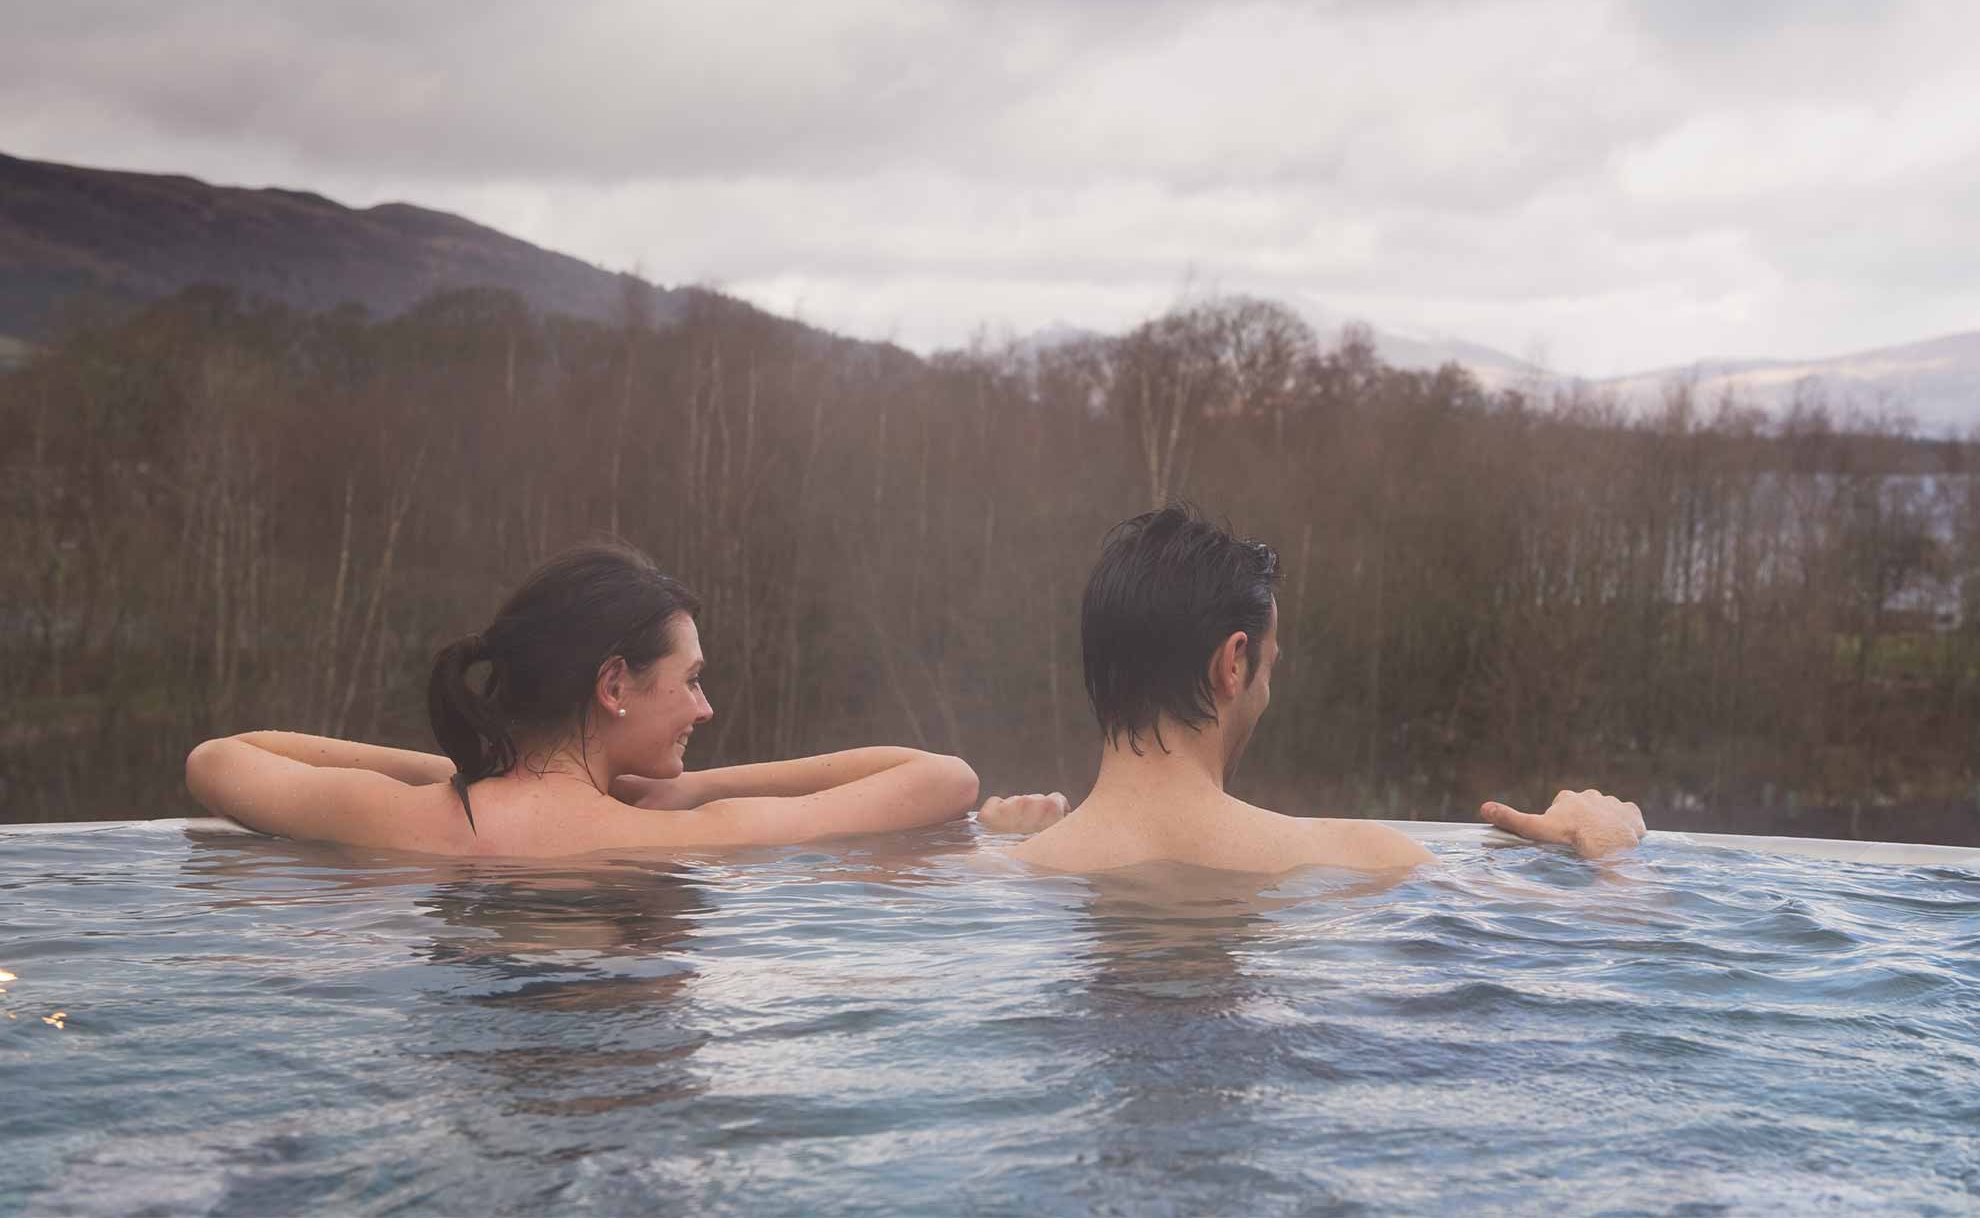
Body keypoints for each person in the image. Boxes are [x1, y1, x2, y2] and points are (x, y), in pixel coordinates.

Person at [185, 542, 978, 857]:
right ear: (612, 686)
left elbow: (220, 759)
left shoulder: (409, 820)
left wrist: (467, 770)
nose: (704, 710)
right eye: (692, 679)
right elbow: (944, 778)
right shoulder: (680, 839)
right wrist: (694, 789)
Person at [977, 504, 1645, 871]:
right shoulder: (1371, 863)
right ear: (1233, 664)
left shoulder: (1000, 879)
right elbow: (1621, 945)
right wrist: (1604, 848)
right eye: (1272, 664)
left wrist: (1005, 843)